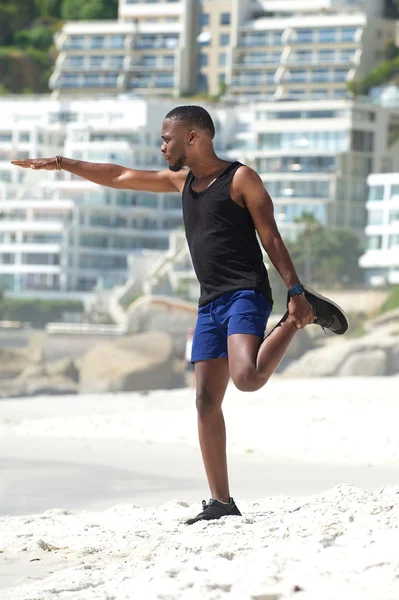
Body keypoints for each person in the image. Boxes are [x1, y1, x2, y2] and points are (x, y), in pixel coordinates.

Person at [11, 105, 348, 525]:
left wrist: (295, 291)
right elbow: (118, 175)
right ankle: (221, 502)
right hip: (209, 303)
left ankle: (301, 317)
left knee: (247, 378)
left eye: (167, 138)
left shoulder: (241, 178)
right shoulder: (181, 181)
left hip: (246, 293)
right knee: (206, 401)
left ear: (194, 137)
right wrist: (63, 164)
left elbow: (271, 237)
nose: (161, 146)